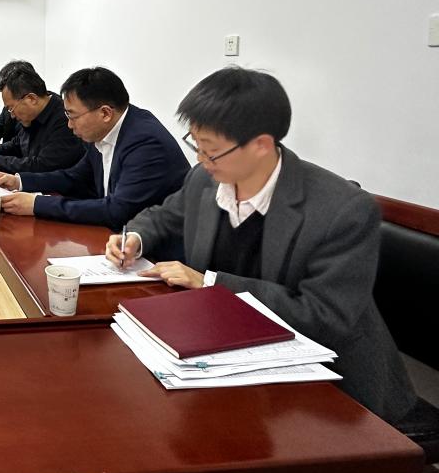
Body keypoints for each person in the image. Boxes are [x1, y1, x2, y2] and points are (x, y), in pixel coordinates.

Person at [106, 67, 417, 424]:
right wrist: (135, 238)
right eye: (196, 145)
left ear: (261, 145)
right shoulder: (205, 179)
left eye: (212, 151)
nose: (201, 160)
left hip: (330, 388)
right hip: (229, 352)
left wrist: (210, 283)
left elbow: (324, 316)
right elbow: (164, 216)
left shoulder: (342, 209)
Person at [0, 67, 190, 229]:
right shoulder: (102, 132)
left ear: (105, 113)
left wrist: (37, 204)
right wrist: (20, 181)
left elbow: (117, 211)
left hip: (156, 253)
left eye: (72, 116)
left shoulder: (145, 143)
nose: (69, 125)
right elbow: (75, 177)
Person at [0, 65, 84, 176]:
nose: (12, 115)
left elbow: (42, 166)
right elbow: (19, 143)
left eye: (11, 108)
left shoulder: (64, 120)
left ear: (31, 99)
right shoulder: (32, 115)